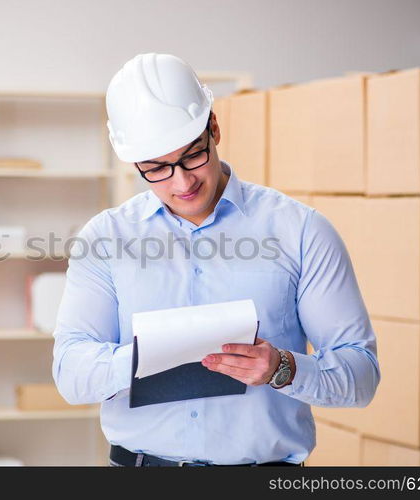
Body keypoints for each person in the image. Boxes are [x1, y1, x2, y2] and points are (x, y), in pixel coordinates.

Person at [52, 53, 380, 466]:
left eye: (193, 156)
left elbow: (362, 373)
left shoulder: (301, 231)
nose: (182, 181)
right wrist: (150, 356)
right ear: (135, 163)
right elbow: (71, 374)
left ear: (215, 129)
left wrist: (283, 368)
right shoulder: (105, 238)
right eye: (156, 168)